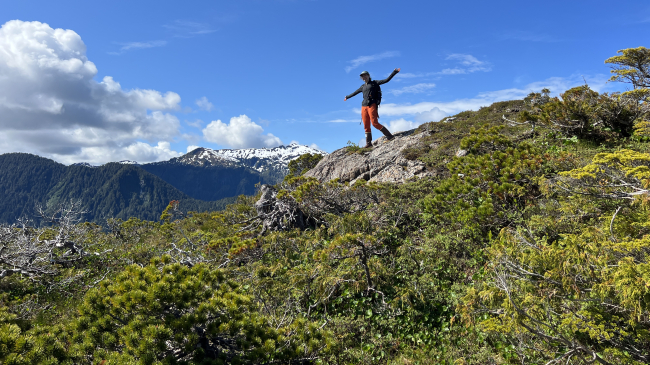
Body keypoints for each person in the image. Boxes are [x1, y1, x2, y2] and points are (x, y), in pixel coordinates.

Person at [344, 68, 400, 148]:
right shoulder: (362, 87)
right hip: (364, 106)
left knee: (374, 123)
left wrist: (394, 72)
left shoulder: (375, 83)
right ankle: (369, 143)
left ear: (368, 75)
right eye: (362, 76)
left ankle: (389, 136)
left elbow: (386, 80)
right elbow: (355, 93)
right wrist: (347, 97)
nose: (364, 77)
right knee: (366, 125)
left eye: (365, 75)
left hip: (372, 104)